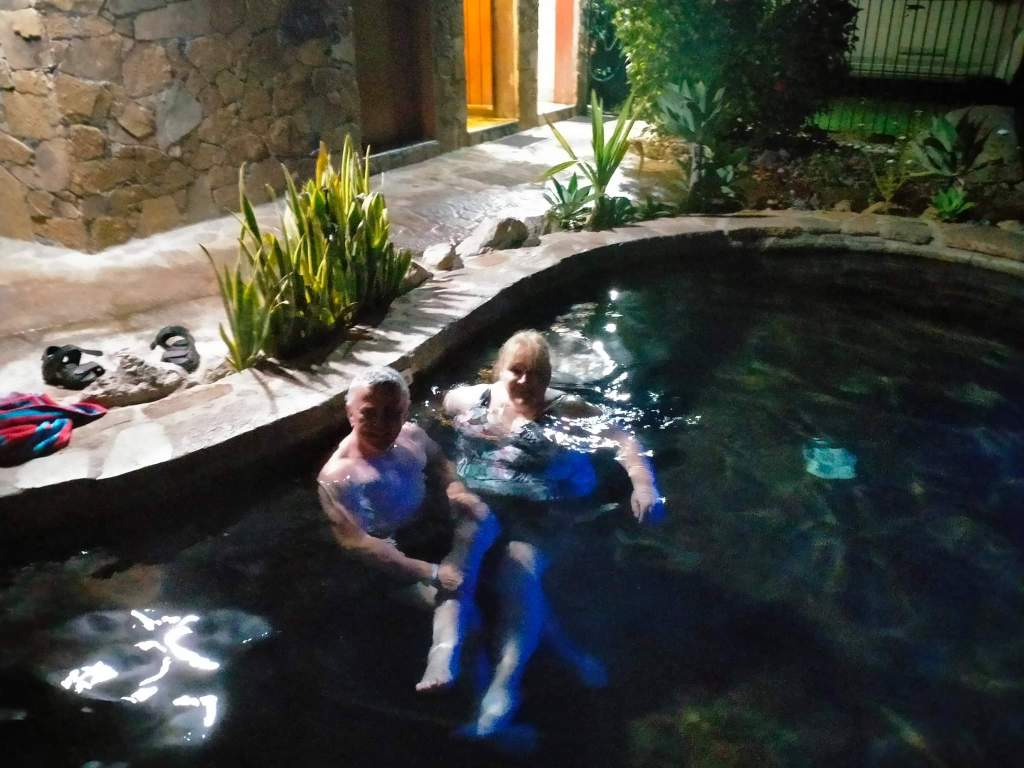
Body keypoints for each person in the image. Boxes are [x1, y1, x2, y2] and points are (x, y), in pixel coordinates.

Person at [444, 330, 663, 736]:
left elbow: (624, 439)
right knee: (479, 578)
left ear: (548, 377)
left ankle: (506, 684)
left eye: (537, 373)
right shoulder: (471, 400)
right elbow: (440, 418)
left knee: (517, 571)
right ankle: (566, 651)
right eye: (517, 370)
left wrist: (644, 484)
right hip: (486, 506)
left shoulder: (567, 409)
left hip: (546, 511)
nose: (526, 381)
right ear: (498, 371)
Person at [318, 366, 497, 692]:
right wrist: (431, 572)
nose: (381, 424)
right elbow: (356, 543)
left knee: (482, 515)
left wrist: (457, 490)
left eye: (392, 413)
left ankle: (458, 572)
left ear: (406, 410)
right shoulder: (338, 476)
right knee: (466, 614)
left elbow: (441, 463)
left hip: (425, 529)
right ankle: (464, 678)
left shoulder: (412, 436)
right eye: (369, 414)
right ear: (350, 413)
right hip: (388, 560)